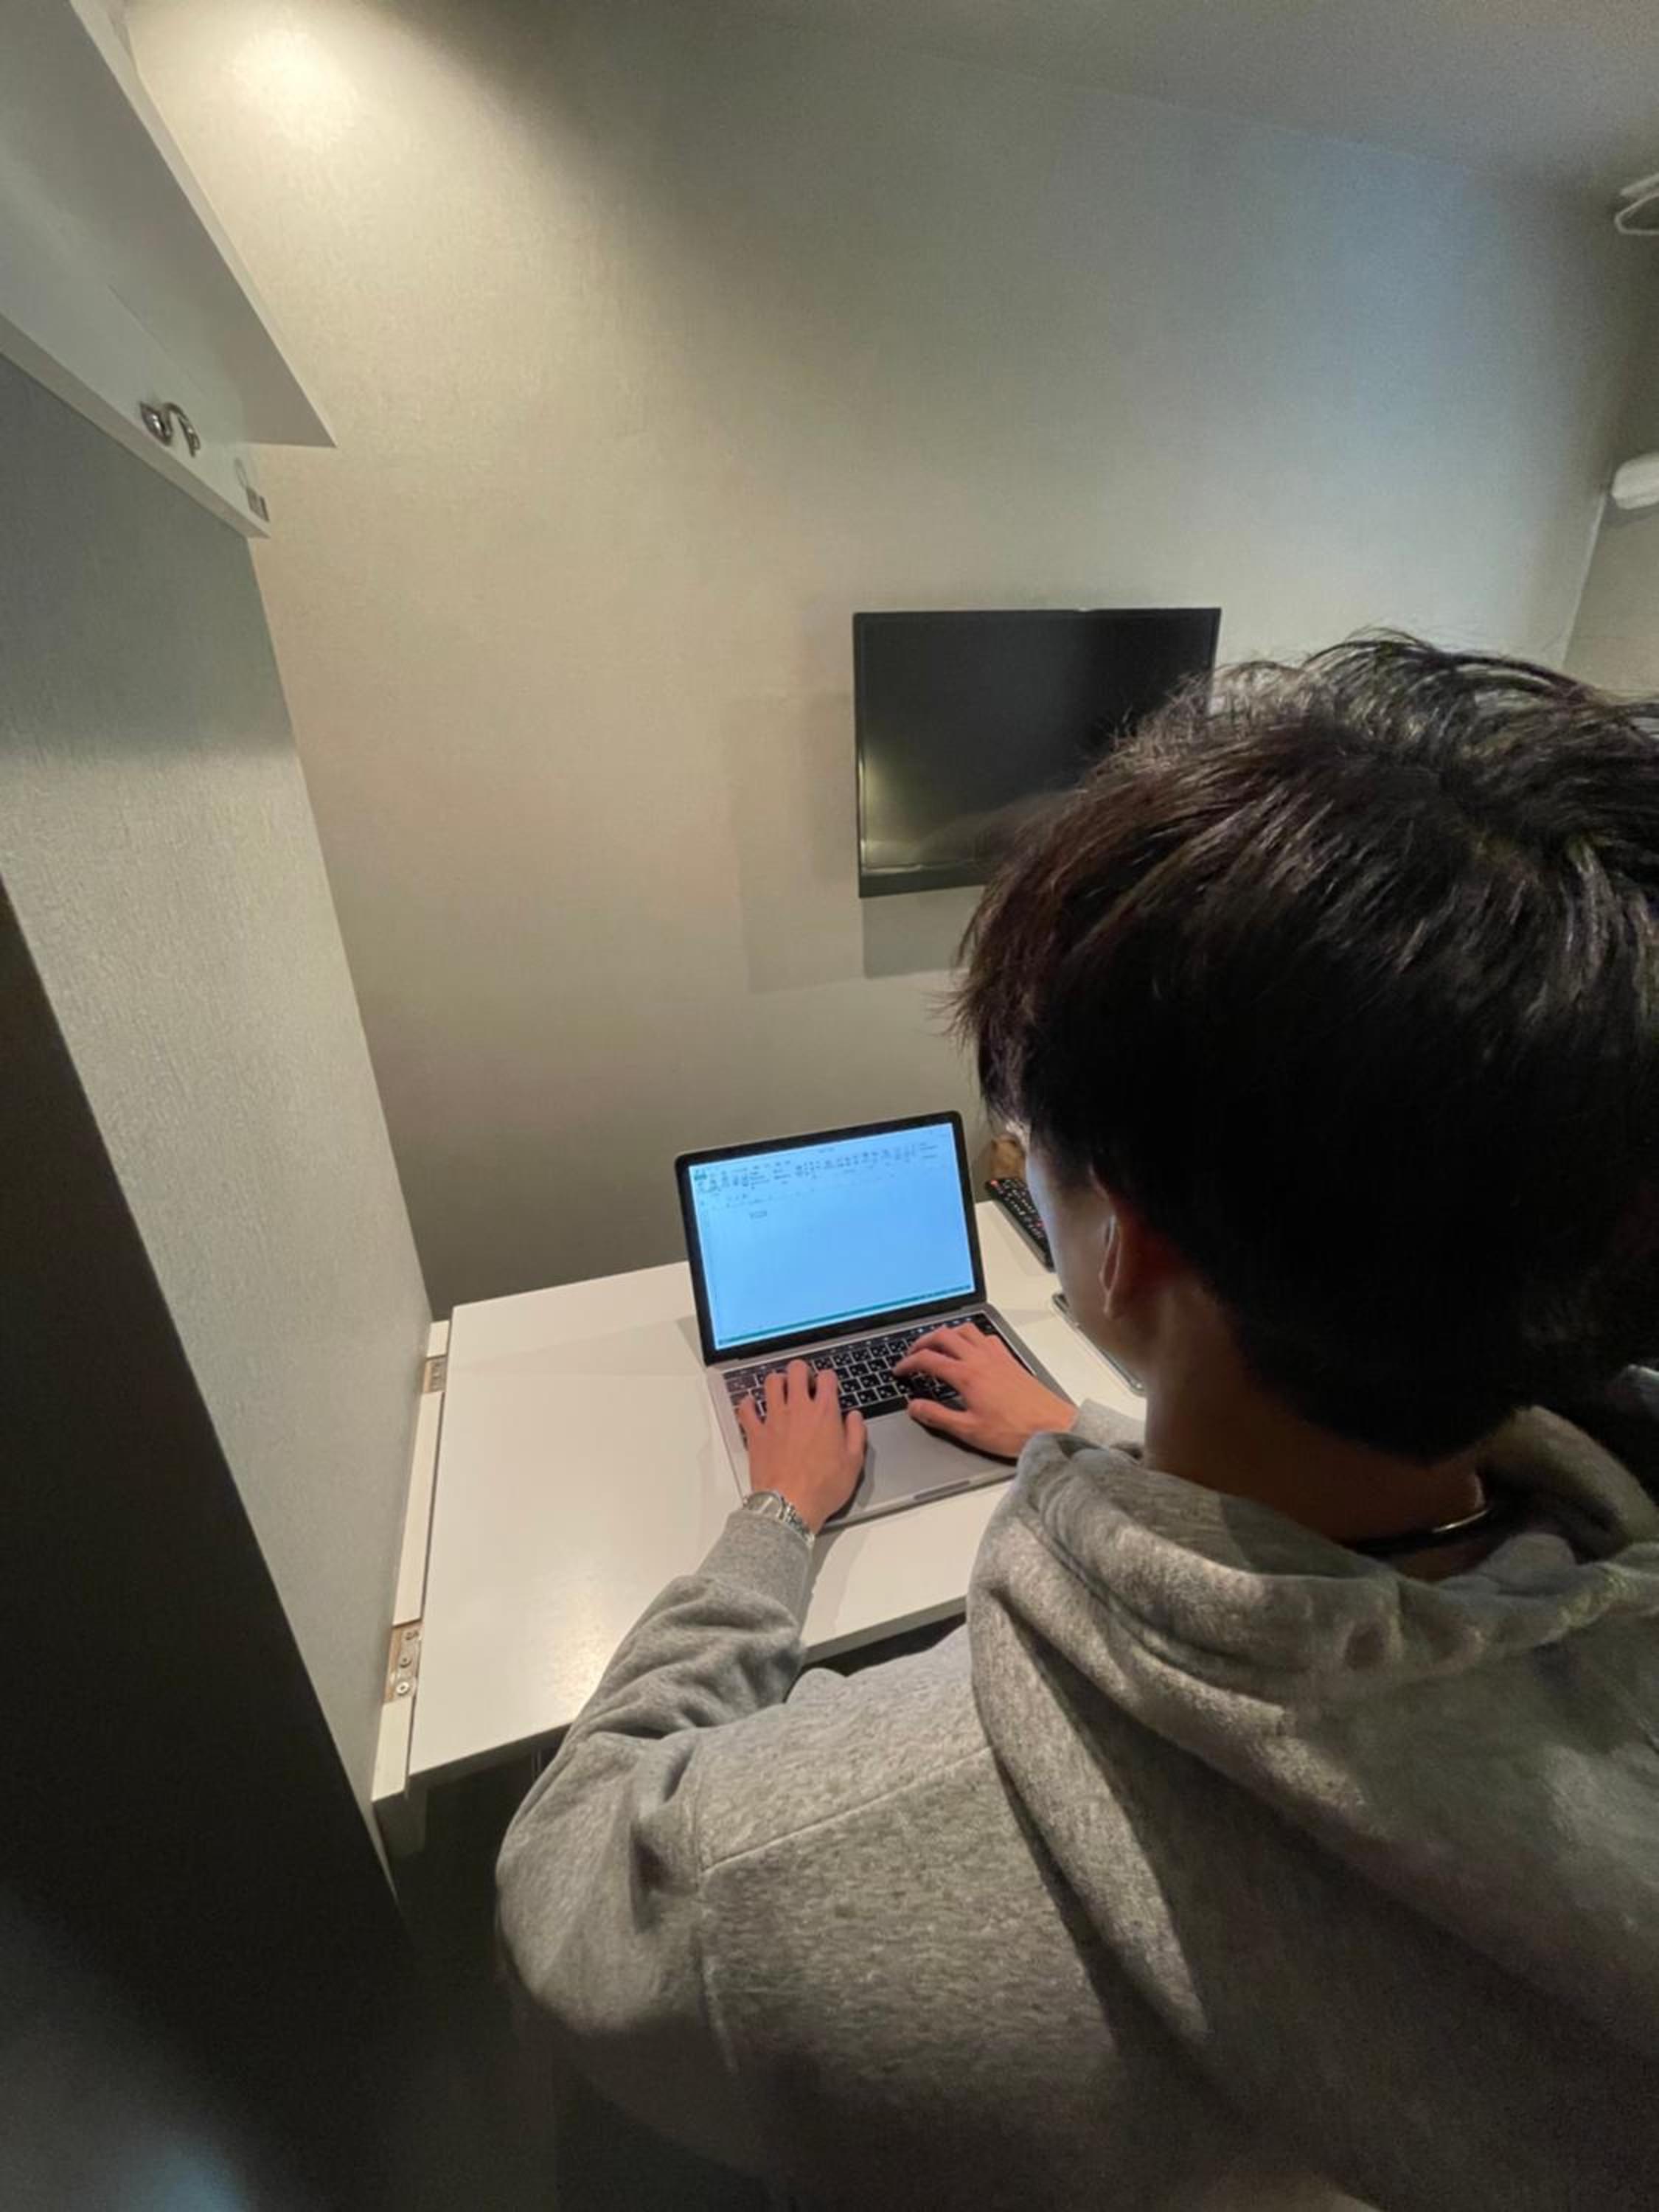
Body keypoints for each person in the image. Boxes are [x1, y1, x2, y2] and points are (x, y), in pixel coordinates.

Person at [497, 638, 1659, 2211]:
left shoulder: (795, 1863)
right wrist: (1114, 1432)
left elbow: (567, 1884)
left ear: (1126, 1243)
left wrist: (770, 1525)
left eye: (1024, 1145)